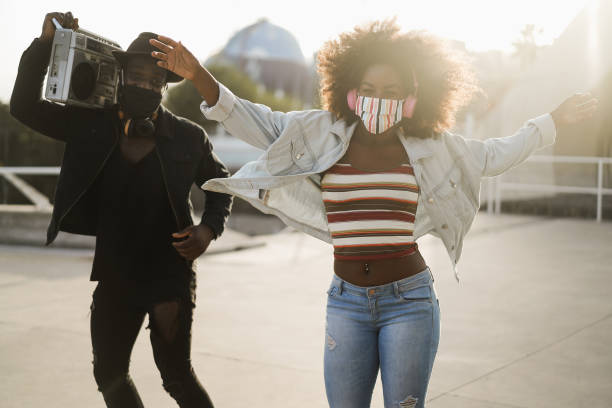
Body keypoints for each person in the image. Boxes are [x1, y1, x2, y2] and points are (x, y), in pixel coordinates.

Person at [150, 19, 597, 408]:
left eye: (391, 92)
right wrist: (197, 74)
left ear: (412, 98)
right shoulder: (319, 134)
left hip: (409, 302)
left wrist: (550, 122)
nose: (377, 99)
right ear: (349, 91)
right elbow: (251, 118)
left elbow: (495, 154)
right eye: (368, 90)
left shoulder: (433, 149)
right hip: (345, 303)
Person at [10, 11, 233, 408]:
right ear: (122, 77)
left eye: (154, 80)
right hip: (114, 273)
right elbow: (24, 106)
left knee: (176, 377)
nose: (144, 85)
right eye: (137, 76)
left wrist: (207, 230)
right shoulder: (90, 124)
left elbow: (221, 188)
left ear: (164, 86)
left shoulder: (187, 136)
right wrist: (44, 45)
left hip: (169, 276)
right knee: (110, 375)